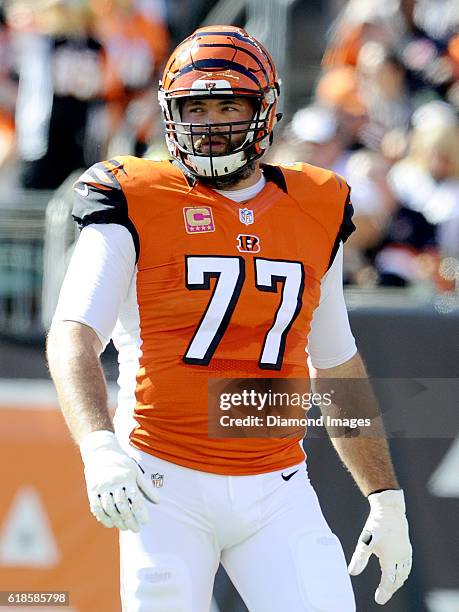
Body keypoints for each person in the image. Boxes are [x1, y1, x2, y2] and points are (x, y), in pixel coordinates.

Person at [47, 25, 412, 612]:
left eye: (228, 104)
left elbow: (336, 359)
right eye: (196, 107)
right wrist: (97, 445)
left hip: (277, 485)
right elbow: (73, 335)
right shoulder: (133, 195)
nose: (211, 123)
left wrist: (384, 496)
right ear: (172, 114)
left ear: (263, 110)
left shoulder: (316, 206)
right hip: (162, 481)